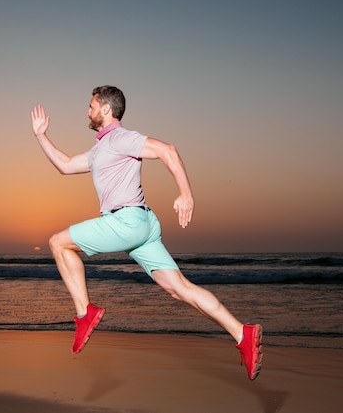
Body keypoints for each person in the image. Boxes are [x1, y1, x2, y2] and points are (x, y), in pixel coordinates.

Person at [30, 85, 263, 380]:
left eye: (91, 106)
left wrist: (186, 194)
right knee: (179, 289)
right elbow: (64, 165)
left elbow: (168, 150)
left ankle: (84, 313)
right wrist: (40, 135)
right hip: (143, 226)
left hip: (126, 221)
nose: (87, 111)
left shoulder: (121, 138)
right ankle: (243, 334)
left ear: (105, 109)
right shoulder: (99, 149)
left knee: (58, 243)